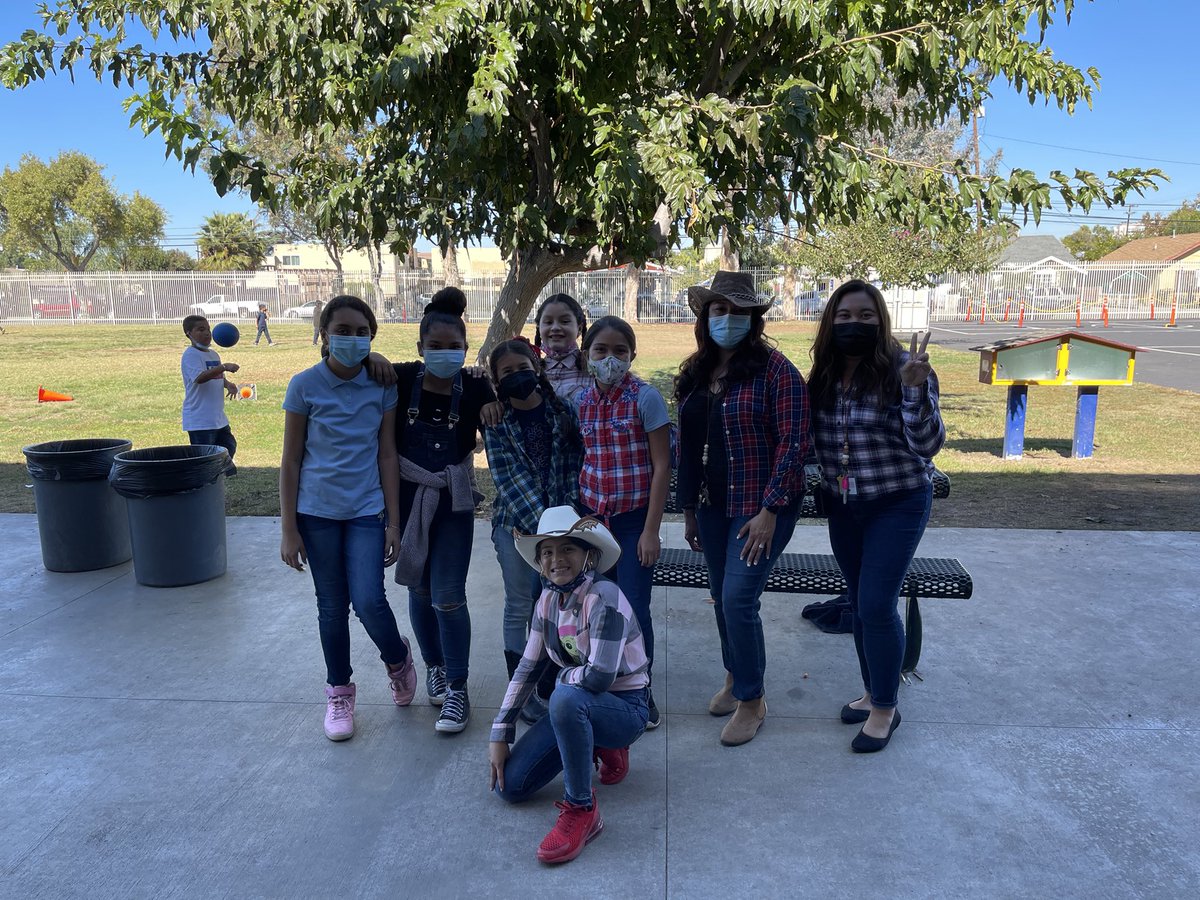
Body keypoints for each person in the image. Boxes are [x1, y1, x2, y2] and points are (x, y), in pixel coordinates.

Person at [807, 279, 945, 753]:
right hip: (844, 505)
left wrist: (913, 392)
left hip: (898, 501)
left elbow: (926, 446)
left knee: (876, 605)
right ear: (831, 322)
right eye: (844, 316)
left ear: (881, 320)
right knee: (859, 601)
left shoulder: (908, 370)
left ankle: (886, 707)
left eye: (866, 316)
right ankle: (872, 693)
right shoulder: (824, 371)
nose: (854, 324)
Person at [675, 271, 809, 746]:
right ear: (705, 316)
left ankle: (752, 699)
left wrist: (771, 509)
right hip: (712, 508)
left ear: (753, 318)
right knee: (720, 596)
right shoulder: (695, 372)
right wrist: (688, 509)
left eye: (737, 311)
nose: (726, 318)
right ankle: (735, 676)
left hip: (759, 510)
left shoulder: (777, 372)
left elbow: (794, 445)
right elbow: (687, 449)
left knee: (738, 599)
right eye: (718, 309)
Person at [278, 295, 417, 741]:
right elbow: (291, 461)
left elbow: (387, 452)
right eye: (342, 331)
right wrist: (288, 528)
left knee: (370, 600)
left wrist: (394, 522)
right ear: (323, 335)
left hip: (365, 511)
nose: (352, 340)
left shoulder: (382, 384)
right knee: (331, 606)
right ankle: (339, 691)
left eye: (362, 333)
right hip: (316, 514)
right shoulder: (304, 385)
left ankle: (397, 660)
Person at [489, 506, 650, 865]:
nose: (556, 559)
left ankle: (582, 809)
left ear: (588, 555)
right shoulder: (547, 600)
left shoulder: (604, 598)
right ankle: (595, 743)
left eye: (567, 549)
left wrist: (562, 678)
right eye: (547, 551)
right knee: (510, 786)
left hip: (625, 708)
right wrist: (499, 732)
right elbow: (528, 669)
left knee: (564, 698)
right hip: (576, 704)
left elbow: (599, 677)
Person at [391, 287, 495, 734]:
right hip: (407, 499)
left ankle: (457, 687)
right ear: (419, 349)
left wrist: (492, 404)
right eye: (435, 346)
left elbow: (503, 414)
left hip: (453, 501)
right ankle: (432, 665)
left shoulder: (474, 386)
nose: (445, 353)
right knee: (417, 591)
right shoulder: (397, 378)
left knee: (448, 596)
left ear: (466, 350)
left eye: (455, 347)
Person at [573, 315, 670, 728]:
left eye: (619, 351)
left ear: (632, 356)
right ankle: (604, 676)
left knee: (633, 606)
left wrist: (651, 530)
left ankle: (640, 688)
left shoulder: (645, 399)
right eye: (601, 351)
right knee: (595, 606)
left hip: (633, 526)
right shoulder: (580, 401)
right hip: (594, 525)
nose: (610, 358)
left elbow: (663, 466)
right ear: (587, 355)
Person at [484, 337, 584, 723]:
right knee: (520, 606)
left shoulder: (563, 412)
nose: (517, 376)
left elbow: (576, 464)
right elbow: (508, 480)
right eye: (506, 373)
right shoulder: (496, 422)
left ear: (538, 368)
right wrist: (547, 529)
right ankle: (520, 690)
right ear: (496, 381)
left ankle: (553, 680)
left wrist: (566, 522)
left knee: (559, 605)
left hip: (563, 526)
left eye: (523, 368)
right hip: (517, 529)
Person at [180, 314, 240, 476]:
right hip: (200, 420)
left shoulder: (213, 354)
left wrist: (228, 384)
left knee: (229, 445)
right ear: (189, 333)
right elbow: (199, 378)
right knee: (204, 460)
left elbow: (218, 376)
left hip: (217, 417)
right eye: (201, 330)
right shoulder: (191, 355)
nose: (207, 333)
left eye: (208, 329)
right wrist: (224, 367)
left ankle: (217, 475)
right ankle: (205, 485)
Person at [533, 292, 592, 402]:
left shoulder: (592, 369)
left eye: (564, 321)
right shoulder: (532, 371)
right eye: (548, 322)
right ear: (539, 327)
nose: (555, 327)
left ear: (579, 328)